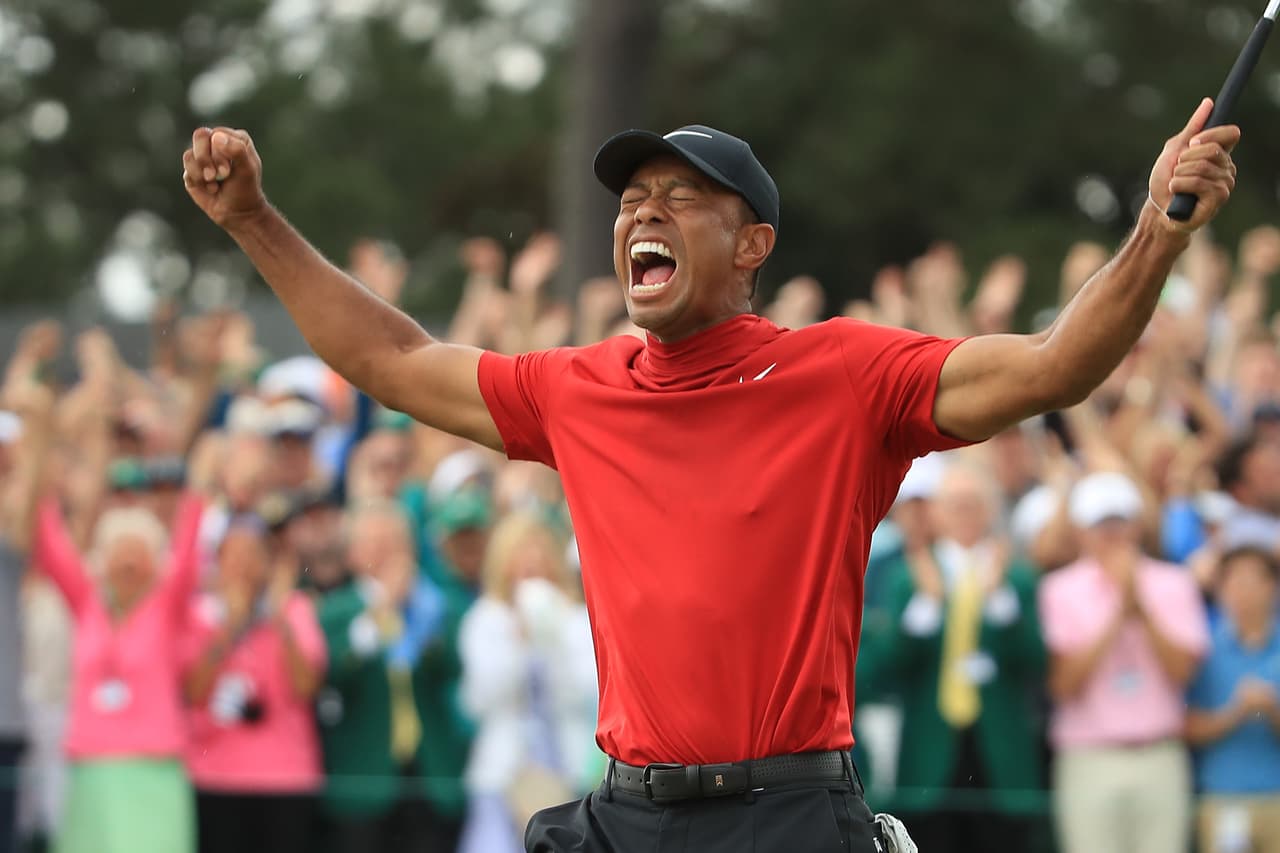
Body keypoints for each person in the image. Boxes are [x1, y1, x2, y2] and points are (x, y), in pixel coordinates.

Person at [182, 96, 1240, 852]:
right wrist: (252, 222)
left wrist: (1156, 228)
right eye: (632, 198)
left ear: (750, 244)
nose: (642, 212)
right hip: (623, 813)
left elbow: (1055, 367)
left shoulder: (844, 374)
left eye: (681, 198)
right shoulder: (576, 386)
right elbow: (392, 361)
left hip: (784, 817)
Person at [870, 459, 1044, 853]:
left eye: (973, 503)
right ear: (937, 512)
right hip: (932, 757)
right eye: (955, 504)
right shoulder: (909, 576)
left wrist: (1001, 601)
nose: (965, 514)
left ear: (990, 509)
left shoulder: (1016, 576)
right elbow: (889, 666)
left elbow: (1036, 661)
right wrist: (926, 606)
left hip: (1000, 760)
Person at [1038, 471, 1210, 853]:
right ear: (1082, 531)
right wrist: (1119, 609)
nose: (1112, 535)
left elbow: (1183, 672)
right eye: (1102, 525)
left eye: (1120, 523)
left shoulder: (1174, 583)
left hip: (1160, 755)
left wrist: (1141, 609)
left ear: (1137, 526)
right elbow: (1064, 684)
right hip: (1089, 757)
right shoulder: (1060, 589)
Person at [33, 490, 205, 853]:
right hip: (92, 766)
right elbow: (51, 550)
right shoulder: (86, 600)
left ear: (155, 561)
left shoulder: (167, 604)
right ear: (102, 557)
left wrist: (196, 497)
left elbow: (188, 556)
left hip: (154, 766)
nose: (128, 562)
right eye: (120, 550)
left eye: (138, 552)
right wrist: (42, 490)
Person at [457, 510, 600, 853]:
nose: (532, 562)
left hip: (569, 771)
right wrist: (519, 645)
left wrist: (550, 641)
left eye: (539, 552)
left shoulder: (579, 619)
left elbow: (588, 693)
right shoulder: (485, 619)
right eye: (520, 554)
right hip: (502, 773)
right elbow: (479, 699)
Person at [183, 518, 327, 853]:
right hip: (216, 777)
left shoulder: (294, 609)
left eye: (253, 555)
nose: (244, 566)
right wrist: (229, 628)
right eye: (234, 556)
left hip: (284, 779)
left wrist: (280, 623)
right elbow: (192, 692)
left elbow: (307, 687)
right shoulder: (199, 614)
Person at [1186, 546, 1280, 853]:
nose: (1242, 591)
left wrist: (1271, 710)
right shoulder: (1202, 649)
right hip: (1222, 798)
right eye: (1233, 581)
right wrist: (1234, 714)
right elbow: (1187, 727)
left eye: (1252, 580)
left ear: (1272, 586)